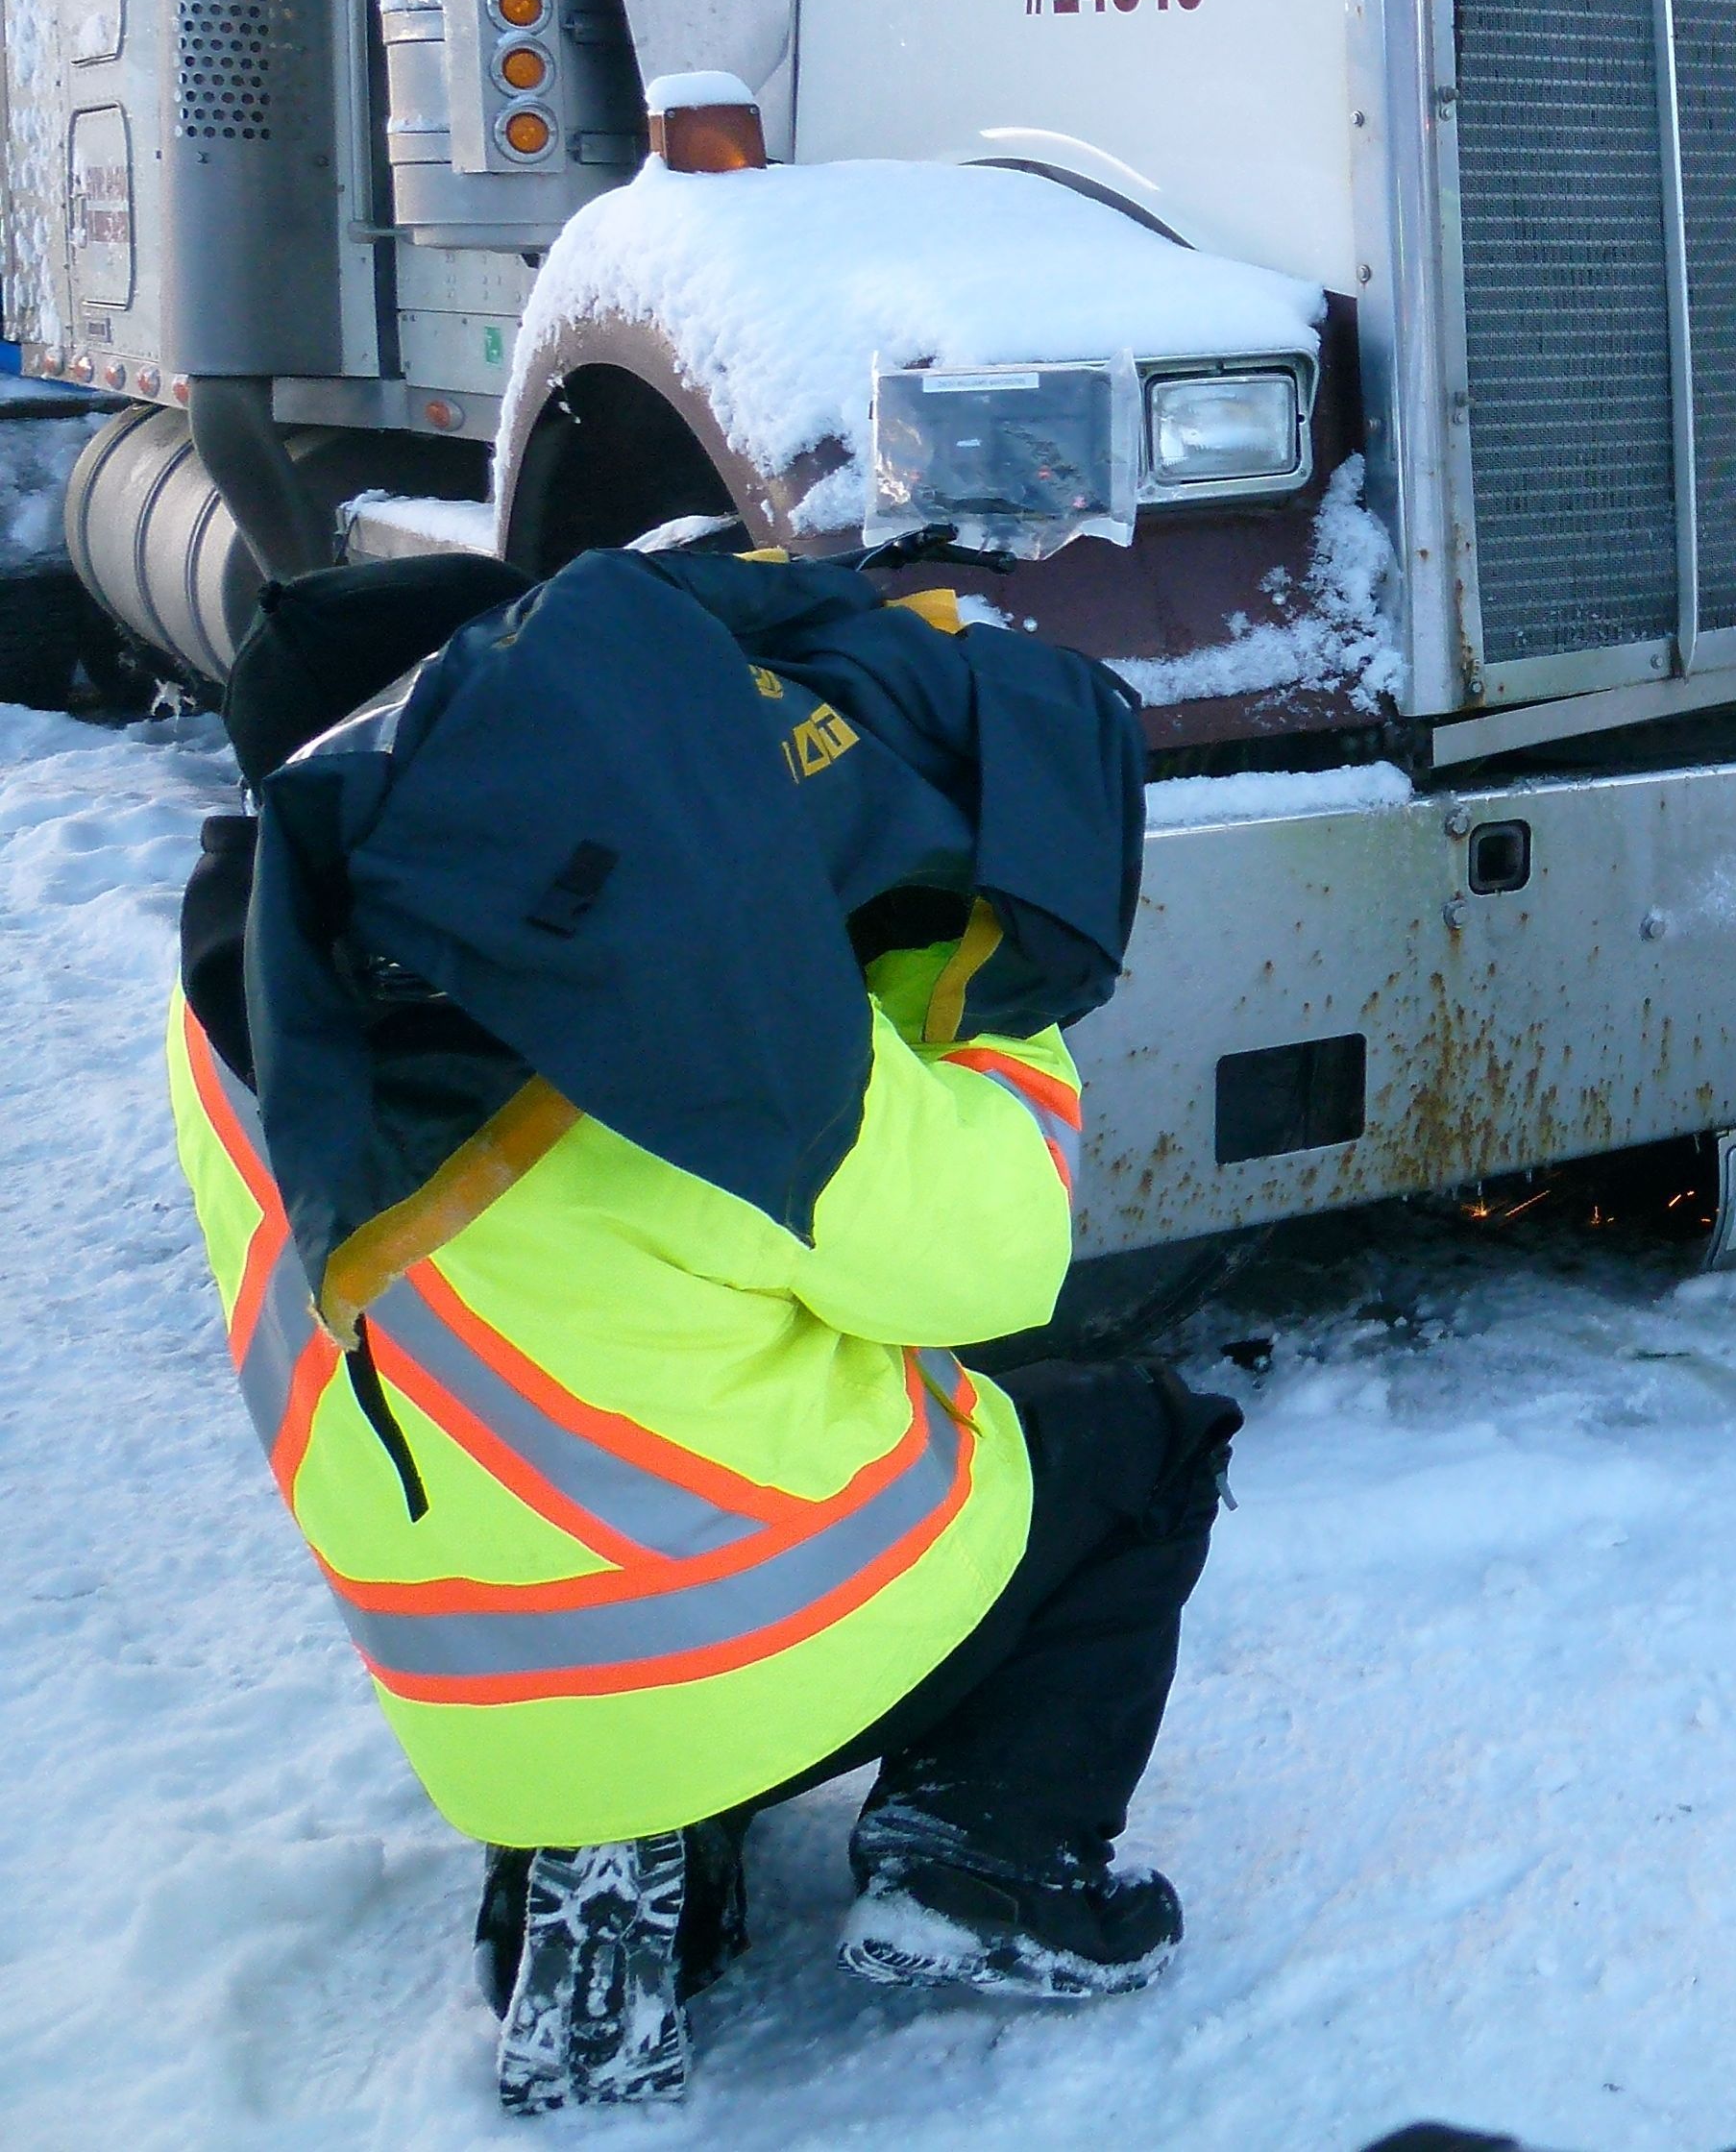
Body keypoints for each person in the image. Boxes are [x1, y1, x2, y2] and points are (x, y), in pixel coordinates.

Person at [167, 550, 1235, 2110]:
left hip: (475, 1700)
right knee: (1138, 1439)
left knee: (619, 1415)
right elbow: (998, 1262)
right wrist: (963, 987)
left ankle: (597, 1861)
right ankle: (982, 1865)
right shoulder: (691, 1012)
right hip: (752, 1633)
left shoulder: (235, 1017)